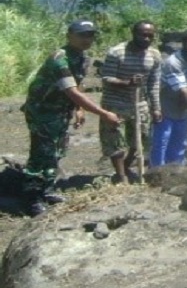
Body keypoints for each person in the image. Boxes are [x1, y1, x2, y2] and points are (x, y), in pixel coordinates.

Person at [21, 20, 121, 216]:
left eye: (90, 35)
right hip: (42, 111)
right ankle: (32, 197)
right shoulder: (60, 58)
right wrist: (104, 113)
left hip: (60, 111)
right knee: (42, 153)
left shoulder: (82, 58)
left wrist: (79, 110)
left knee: (57, 151)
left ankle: (47, 190)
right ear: (69, 35)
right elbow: (73, 91)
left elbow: (78, 83)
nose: (87, 39)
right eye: (82, 35)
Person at [100, 20, 162, 184]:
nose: (147, 39)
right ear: (134, 34)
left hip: (140, 104)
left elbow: (154, 83)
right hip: (115, 103)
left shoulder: (154, 55)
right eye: (143, 35)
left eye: (150, 36)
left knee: (141, 140)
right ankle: (121, 177)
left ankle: (126, 167)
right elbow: (106, 78)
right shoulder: (117, 52)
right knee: (116, 142)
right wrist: (127, 83)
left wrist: (156, 108)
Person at [150, 31, 187, 167]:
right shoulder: (173, 62)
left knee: (181, 139)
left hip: (185, 102)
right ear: (184, 44)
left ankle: (177, 168)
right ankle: (157, 170)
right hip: (167, 100)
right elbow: (182, 88)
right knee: (163, 137)